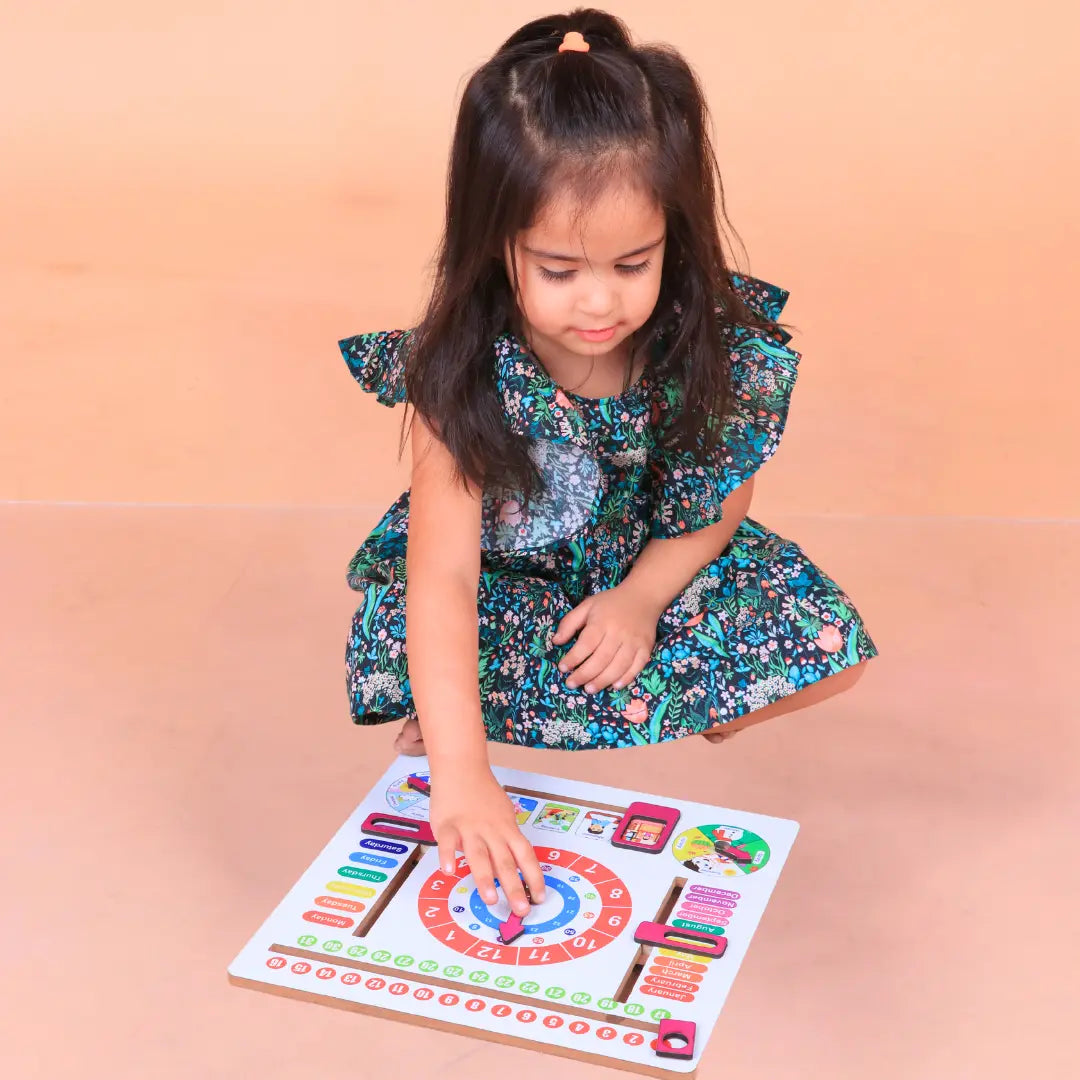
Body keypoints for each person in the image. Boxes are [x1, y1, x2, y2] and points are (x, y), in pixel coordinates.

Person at [338, 8, 879, 920]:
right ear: (493, 246)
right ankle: (478, 722)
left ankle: (661, 691)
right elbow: (445, 578)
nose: (601, 301)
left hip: (644, 562)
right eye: (558, 270)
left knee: (833, 645)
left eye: (634, 263)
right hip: (515, 584)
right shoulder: (464, 371)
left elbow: (720, 495)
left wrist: (643, 599)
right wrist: (465, 778)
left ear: (676, 233)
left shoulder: (700, 339)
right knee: (437, 670)